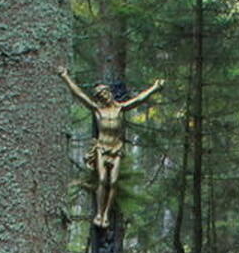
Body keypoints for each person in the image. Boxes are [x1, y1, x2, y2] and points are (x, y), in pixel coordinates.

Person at [58, 68, 162, 227]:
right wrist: (65, 77)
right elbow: (79, 94)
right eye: (100, 96)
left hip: (116, 148)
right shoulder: (98, 110)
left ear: (109, 93)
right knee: (102, 179)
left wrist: (154, 88)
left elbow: (139, 99)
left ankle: (106, 213)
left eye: (105, 93)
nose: (104, 97)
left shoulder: (121, 108)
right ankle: (99, 213)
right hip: (102, 147)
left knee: (113, 182)